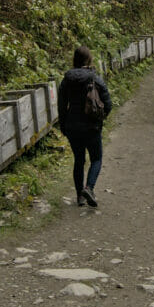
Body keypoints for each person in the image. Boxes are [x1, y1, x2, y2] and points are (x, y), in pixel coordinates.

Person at [57, 46, 112, 207]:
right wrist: (101, 118)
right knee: (96, 158)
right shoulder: (94, 78)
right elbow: (107, 102)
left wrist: (64, 125)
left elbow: (61, 105)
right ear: (89, 59)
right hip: (91, 127)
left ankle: (80, 197)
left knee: (79, 160)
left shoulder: (66, 80)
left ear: (74, 60)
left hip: (72, 127)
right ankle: (89, 188)